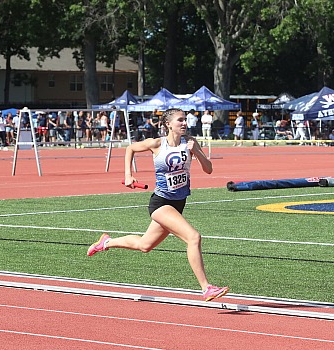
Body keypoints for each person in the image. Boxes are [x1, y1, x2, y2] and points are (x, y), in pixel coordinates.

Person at [87, 108, 229, 302]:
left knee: (144, 245)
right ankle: (206, 288)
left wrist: (196, 151)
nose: (184, 123)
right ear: (168, 124)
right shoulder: (157, 144)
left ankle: (106, 243)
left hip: (179, 203)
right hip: (161, 203)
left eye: (185, 120)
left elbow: (209, 169)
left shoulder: (191, 143)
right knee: (193, 237)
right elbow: (130, 149)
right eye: (180, 120)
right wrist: (128, 175)